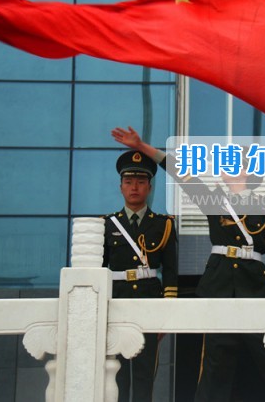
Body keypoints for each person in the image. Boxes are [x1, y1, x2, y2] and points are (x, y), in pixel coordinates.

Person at [111, 126, 265, 402]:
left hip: (256, 292)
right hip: (218, 290)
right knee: (214, 368)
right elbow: (180, 173)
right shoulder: (213, 199)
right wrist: (142, 146)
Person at [104, 150, 178, 402]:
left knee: (146, 374)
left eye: (140, 182)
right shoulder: (107, 225)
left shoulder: (164, 224)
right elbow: (100, 271)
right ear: (121, 187)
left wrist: (165, 316)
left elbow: (170, 272)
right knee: (118, 375)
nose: (134, 187)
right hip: (117, 305)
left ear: (149, 187)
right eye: (128, 182)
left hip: (149, 305)